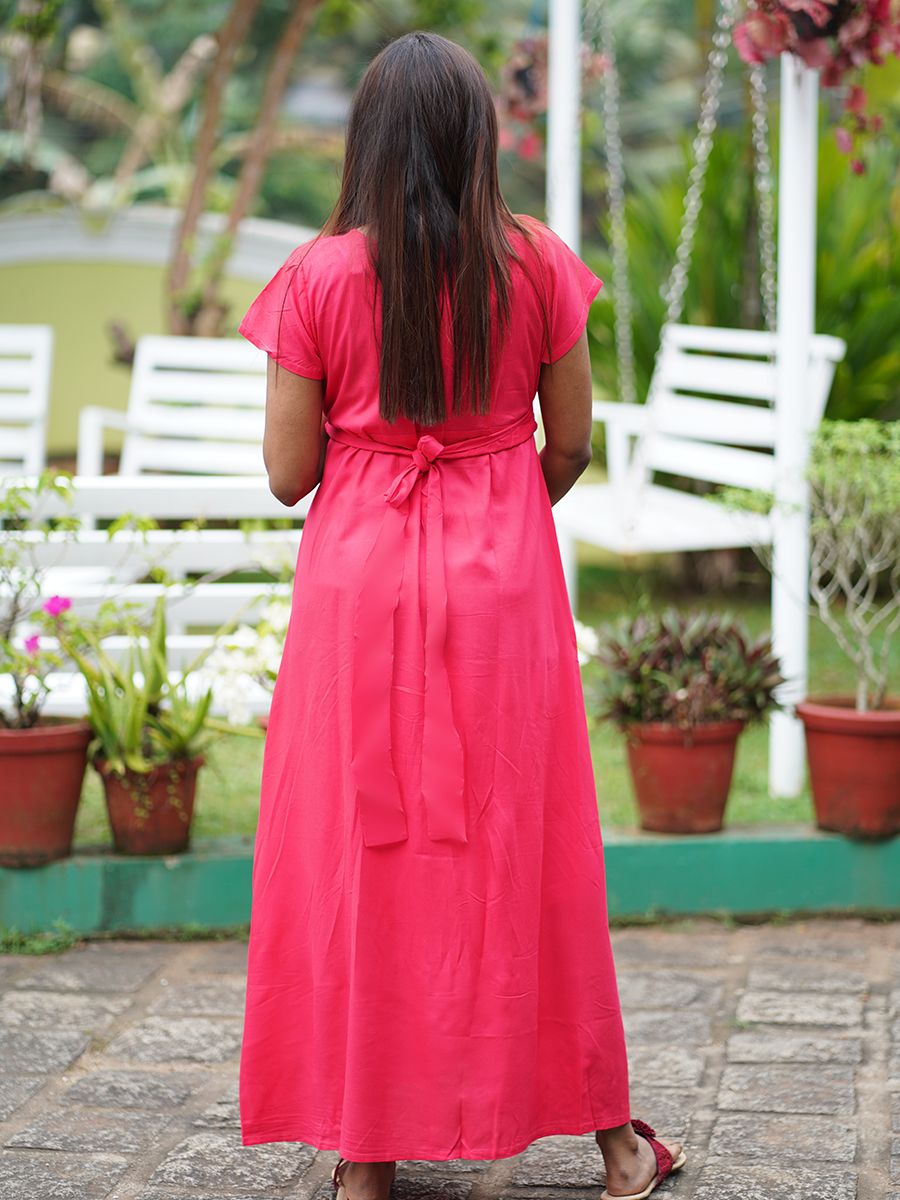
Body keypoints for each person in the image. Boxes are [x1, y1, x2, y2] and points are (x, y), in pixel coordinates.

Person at [236, 28, 685, 1200]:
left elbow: (288, 473)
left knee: (362, 855)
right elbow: (570, 442)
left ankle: (365, 1160)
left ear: (368, 142)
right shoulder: (537, 264)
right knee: (529, 847)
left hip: (359, 584)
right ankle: (615, 1145)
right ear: (479, 138)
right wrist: (495, 507)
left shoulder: (318, 275)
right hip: (503, 586)